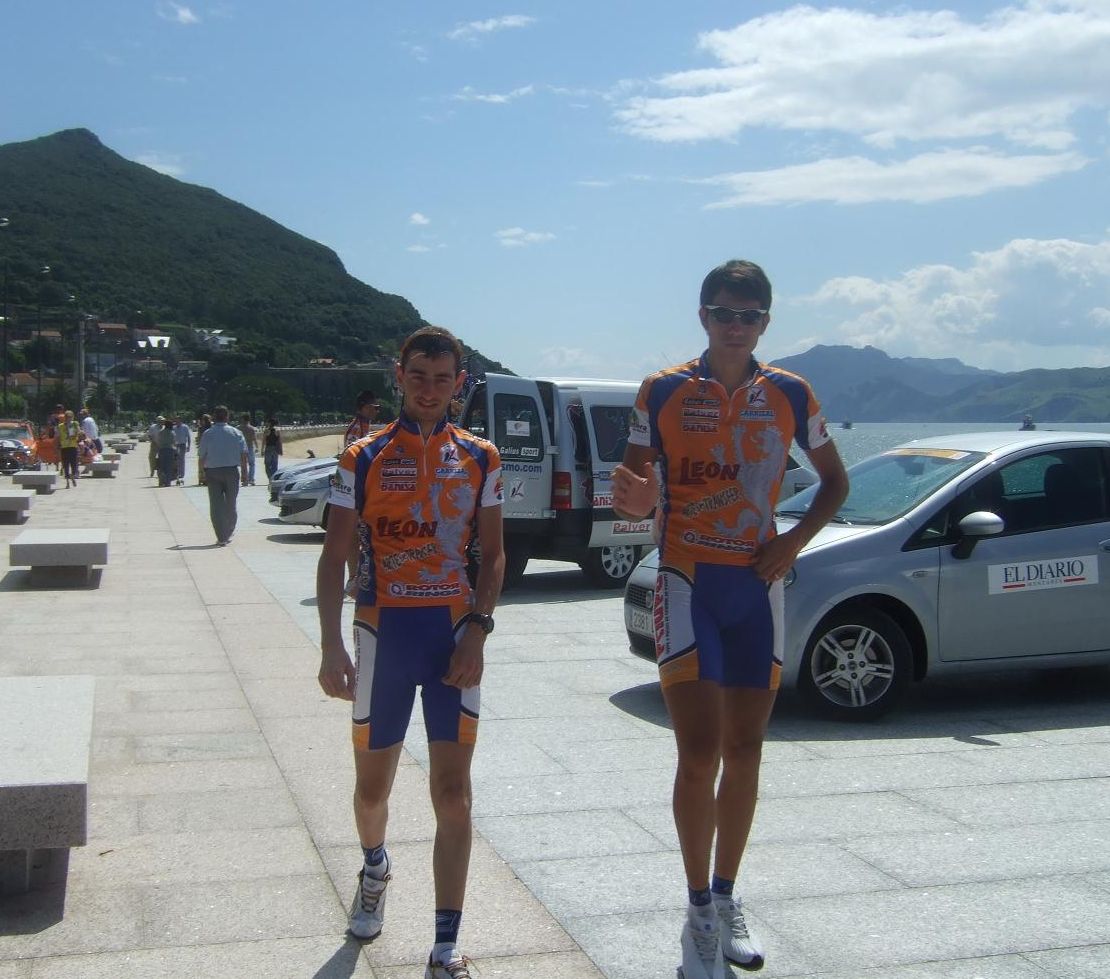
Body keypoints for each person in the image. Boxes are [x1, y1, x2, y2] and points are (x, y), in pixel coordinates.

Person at [612, 260, 849, 979]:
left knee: (746, 751)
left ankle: (724, 895)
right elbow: (629, 488)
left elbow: (835, 483)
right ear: (703, 316)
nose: (735, 326)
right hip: (687, 580)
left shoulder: (791, 392)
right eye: (723, 312)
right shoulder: (662, 390)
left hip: (757, 585)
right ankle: (697, 917)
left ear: (765, 323)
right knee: (699, 753)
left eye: (748, 316)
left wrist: (791, 542)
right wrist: (634, 502)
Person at [316, 327, 504, 979]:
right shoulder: (362, 456)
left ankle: (446, 944)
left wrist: (478, 630)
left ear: (459, 384)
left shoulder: (480, 456)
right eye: (418, 376)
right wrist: (331, 644)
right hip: (382, 634)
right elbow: (334, 555)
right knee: (372, 793)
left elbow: (494, 554)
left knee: (453, 795)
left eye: (442, 378)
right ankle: (375, 867)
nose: (429, 390)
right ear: (399, 376)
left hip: (452, 636)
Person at [343, 389, 381, 596]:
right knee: (354, 535)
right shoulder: (356, 430)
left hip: (368, 490)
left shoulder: (365, 427)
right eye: (375, 408)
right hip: (359, 491)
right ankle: (353, 577)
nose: (376, 411)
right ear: (364, 408)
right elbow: (354, 461)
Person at [197, 405, 249, 546]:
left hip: (212, 472)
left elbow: (201, 455)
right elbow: (243, 454)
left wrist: (201, 472)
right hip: (232, 471)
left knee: (216, 506)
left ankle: (221, 536)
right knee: (231, 504)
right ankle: (229, 530)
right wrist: (245, 473)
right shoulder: (236, 433)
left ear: (214, 417)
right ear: (227, 416)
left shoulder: (208, 433)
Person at [57, 410, 82, 488]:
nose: (69, 419)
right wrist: (57, 446)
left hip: (73, 446)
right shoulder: (61, 426)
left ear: (73, 417)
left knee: (74, 464)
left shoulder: (75, 424)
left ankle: (73, 476)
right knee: (66, 465)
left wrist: (77, 433)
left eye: (70, 417)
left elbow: (79, 432)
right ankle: (67, 482)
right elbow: (58, 436)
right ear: (65, 418)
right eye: (67, 417)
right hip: (64, 447)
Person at [156, 418, 177, 487]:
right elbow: (174, 442)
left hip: (162, 450)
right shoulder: (172, 433)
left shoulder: (160, 432)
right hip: (170, 450)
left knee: (161, 467)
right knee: (169, 467)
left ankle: (161, 481)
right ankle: (168, 482)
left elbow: (158, 441)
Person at [172, 416, 193, 486]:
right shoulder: (174, 428)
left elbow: (188, 437)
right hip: (176, 445)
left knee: (182, 459)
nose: (177, 422)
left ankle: (182, 473)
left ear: (180, 420)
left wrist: (189, 446)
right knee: (176, 460)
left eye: (178, 420)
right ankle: (177, 473)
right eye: (176, 420)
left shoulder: (185, 427)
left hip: (182, 444)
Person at [240, 413, 258, 485]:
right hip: (250, 447)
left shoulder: (238, 428)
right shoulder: (251, 428)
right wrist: (257, 447)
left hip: (242, 448)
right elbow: (254, 438)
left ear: (243, 419)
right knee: (252, 464)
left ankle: (245, 480)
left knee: (243, 464)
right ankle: (251, 479)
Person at [194, 414, 212, 485]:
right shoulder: (212, 428)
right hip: (211, 447)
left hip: (203, 446)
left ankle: (202, 478)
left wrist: (198, 443)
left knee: (201, 463)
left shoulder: (201, 428)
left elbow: (199, 438)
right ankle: (208, 478)